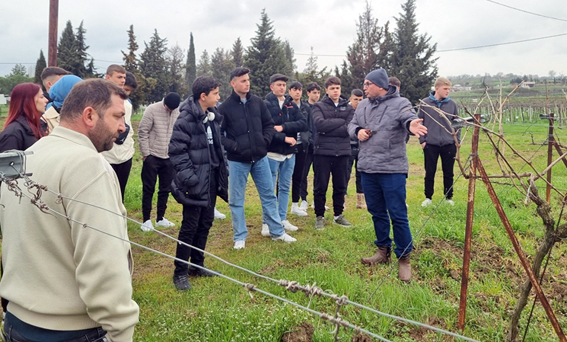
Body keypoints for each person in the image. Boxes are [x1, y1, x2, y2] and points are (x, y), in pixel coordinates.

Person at [0, 78, 139, 341]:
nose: (123, 127)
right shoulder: (89, 166)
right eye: (118, 116)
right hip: (70, 330)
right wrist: (121, 331)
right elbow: (103, 261)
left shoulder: (28, 155)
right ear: (89, 115)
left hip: (16, 324)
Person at [348, 68, 427, 283]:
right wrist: (357, 132)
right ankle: (383, 251)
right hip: (367, 168)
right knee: (376, 212)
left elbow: (408, 119)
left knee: (397, 213)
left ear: (380, 85)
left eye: (367, 84)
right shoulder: (363, 105)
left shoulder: (400, 103)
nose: (364, 88)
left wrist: (412, 125)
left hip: (392, 169)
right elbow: (352, 124)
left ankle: (404, 257)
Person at [219, 67, 296, 249]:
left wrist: (264, 142)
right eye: (243, 80)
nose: (247, 83)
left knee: (269, 195)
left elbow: (269, 125)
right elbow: (219, 135)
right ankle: (240, 236)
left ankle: (277, 232)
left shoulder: (258, 103)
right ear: (233, 83)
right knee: (237, 199)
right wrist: (235, 147)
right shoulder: (225, 108)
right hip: (237, 161)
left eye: (248, 80)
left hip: (260, 158)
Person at [169, 76, 229, 291]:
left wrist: (223, 170)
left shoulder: (211, 117)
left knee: (206, 222)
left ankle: (197, 265)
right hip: (196, 182)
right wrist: (191, 179)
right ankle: (180, 272)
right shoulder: (185, 119)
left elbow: (217, 147)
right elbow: (177, 152)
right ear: (203, 96)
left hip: (211, 179)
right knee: (190, 226)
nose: (219, 97)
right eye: (215, 93)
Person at [263, 74, 307, 233]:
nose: (281, 87)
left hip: (290, 154)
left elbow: (303, 123)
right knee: (269, 189)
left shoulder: (291, 105)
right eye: (278, 84)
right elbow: (267, 128)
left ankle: (282, 218)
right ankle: (267, 222)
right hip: (272, 153)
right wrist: (284, 138)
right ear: (271, 87)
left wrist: (284, 128)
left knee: (284, 187)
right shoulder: (265, 105)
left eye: (283, 85)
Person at [312, 77, 354, 230]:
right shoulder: (318, 106)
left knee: (340, 185)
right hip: (322, 152)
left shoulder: (349, 108)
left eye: (338, 88)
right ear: (327, 90)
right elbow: (319, 125)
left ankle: (338, 215)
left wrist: (331, 125)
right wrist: (340, 121)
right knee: (320, 185)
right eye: (332, 88)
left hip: (342, 152)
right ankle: (319, 216)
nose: (335, 91)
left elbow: (349, 129)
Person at [138, 92, 181, 231]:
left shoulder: (177, 111)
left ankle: (160, 218)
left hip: (169, 158)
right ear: (164, 103)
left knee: (165, 189)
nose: (170, 111)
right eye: (168, 108)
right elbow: (143, 131)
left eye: (172, 109)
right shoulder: (152, 109)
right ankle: (146, 220)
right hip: (152, 156)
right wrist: (146, 154)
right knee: (148, 189)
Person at [418, 77, 460, 207]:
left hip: (449, 144)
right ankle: (428, 197)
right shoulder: (425, 104)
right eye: (445, 89)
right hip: (431, 144)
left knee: (449, 172)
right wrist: (422, 141)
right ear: (437, 89)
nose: (448, 91)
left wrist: (456, 141)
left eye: (449, 89)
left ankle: (448, 197)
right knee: (430, 171)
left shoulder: (452, 105)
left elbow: (457, 124)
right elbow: (419, 122)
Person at [101, 65, 136, 201]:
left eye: (124, 77)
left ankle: (119, 221)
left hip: (124, 155)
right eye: (119, 77)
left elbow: (129, 127)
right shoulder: (99, 100)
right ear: (108, 77)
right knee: (105, 195)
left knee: (119, 195)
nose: (122, 80)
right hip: (106, 155)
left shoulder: (127, 102)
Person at [0, 83, 47, 152]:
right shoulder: (13, 134)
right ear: (28, 100)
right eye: (41, 97)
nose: (46, 100)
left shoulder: (40, 126)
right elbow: (8, 162)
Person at [289, 81, 312, 217]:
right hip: (288, 145)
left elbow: (310, 126)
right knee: (284, 177)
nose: (297, 92)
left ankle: (295, 204)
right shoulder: (286, 105)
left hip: (302, 145)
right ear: (290, 91)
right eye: (295, 89)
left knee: (299, 175)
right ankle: (280, 204)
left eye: (299, 89)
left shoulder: (306, 107)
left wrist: (307, 139)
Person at [298, 82, 321, 211]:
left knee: (319, 174)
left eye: (318, 93)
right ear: (308, 93)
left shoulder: (322, 107)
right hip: (307, 146)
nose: (316, 95)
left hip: (320, 146)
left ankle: (317, 200)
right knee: (303, 174)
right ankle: (304, 199)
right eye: (314, 92)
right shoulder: (303, 107)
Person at [346, 88, 365, 209]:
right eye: (356, 99)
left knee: (361, 174)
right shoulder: (346, 111)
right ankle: (342, 199)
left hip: (362, 146)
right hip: (347, 146)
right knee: (345, 174)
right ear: (350, 99)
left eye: (360, 100)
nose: (358, 102)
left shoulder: (364, 111)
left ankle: (360, 200)